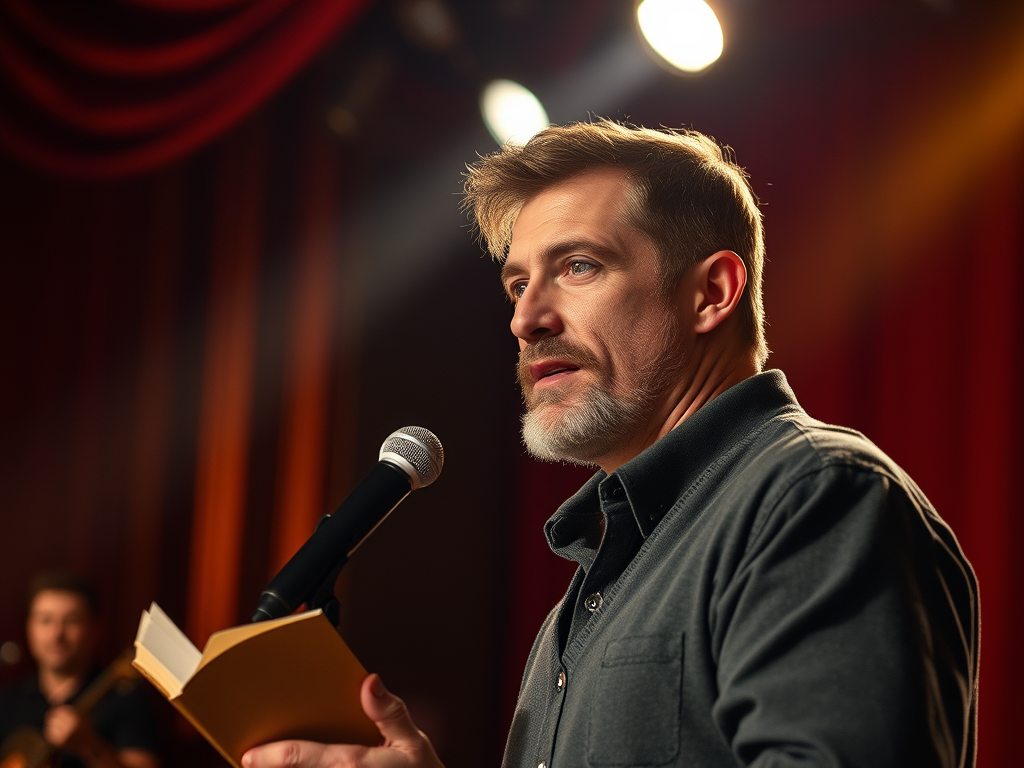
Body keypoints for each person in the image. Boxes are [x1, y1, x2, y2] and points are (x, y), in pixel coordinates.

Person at [241, 120, 979, 768]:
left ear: (712, 294)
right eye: (516, 284)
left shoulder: (817, 497)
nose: (525, 320)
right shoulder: (592, 584)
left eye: (578, 266)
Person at [0, 573, 160, 768]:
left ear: (95, 629)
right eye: (45, 620)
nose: (56, 634)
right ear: (29, 628)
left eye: (71, 621)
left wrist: (89, 746)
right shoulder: (7, 701)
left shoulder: (126, 698)